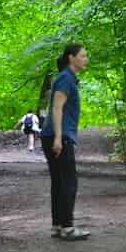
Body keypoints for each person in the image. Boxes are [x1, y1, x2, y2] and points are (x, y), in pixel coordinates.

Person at [41, 44, 89, 241]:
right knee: (69, 182)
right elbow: (57, 108)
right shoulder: (66, 79)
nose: (86, 59)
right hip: (58, 136)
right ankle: (67, 227)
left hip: (52, 135)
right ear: (71, 58)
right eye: (83, 56)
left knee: (60, 182)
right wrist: (59, 137)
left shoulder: (65, 78)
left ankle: (58, 225)